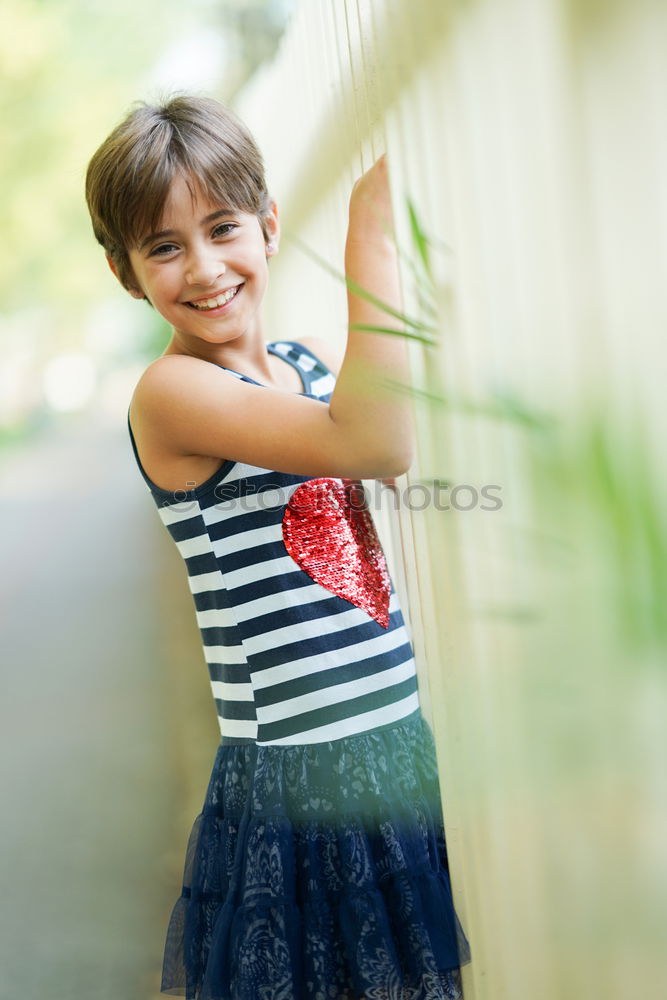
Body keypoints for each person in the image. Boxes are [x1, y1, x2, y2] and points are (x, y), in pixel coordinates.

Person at [85, 95, 471, 1000]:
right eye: (165, 246)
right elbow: (378, 443)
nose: (206, 268)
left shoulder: (299, 370)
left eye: (222, 228)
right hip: (300, 783)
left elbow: (363, 428)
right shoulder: (173, 394)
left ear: (265, 225)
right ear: (125, 272)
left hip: (386, 753)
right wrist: (371, 234)